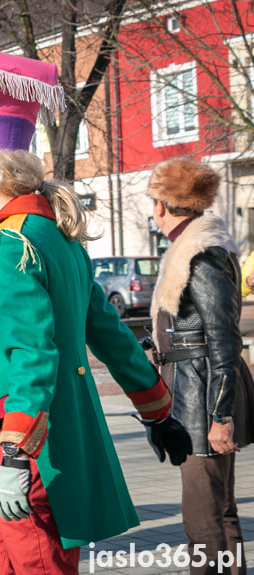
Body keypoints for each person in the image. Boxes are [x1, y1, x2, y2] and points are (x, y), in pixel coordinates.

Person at [0, 46, 192, 574]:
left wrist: (13, 455)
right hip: (51, 439)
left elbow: (33, 357)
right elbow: (111, 334)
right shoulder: (58, 238)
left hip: (31, 446)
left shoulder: (11, 247)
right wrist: (157, 409)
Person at [148, 157, 252, 575]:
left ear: (162, 205)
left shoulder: (201, 252)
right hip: (196, 387)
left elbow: (224, 337)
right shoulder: (195, 245)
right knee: (219, 510)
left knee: (203, 517)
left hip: (202, 392)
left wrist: (219, 415)